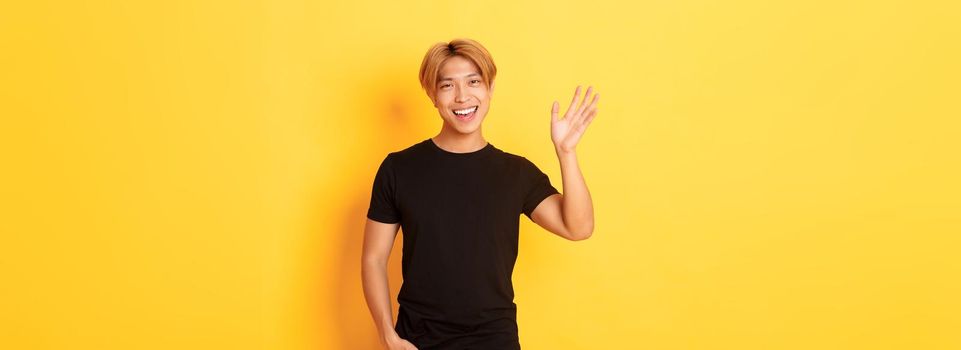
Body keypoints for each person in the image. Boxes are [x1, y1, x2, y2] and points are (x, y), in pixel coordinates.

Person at [361, 38, 598, 350]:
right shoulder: (399, 169)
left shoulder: (516, 173)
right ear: (433, 94)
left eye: (473, 82)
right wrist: (386, 334)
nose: (462, 96)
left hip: (494, 340)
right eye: (448, 86)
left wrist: (566, 152)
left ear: (490, 89)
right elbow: (374, 258)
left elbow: (578, 228)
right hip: (416, 341)